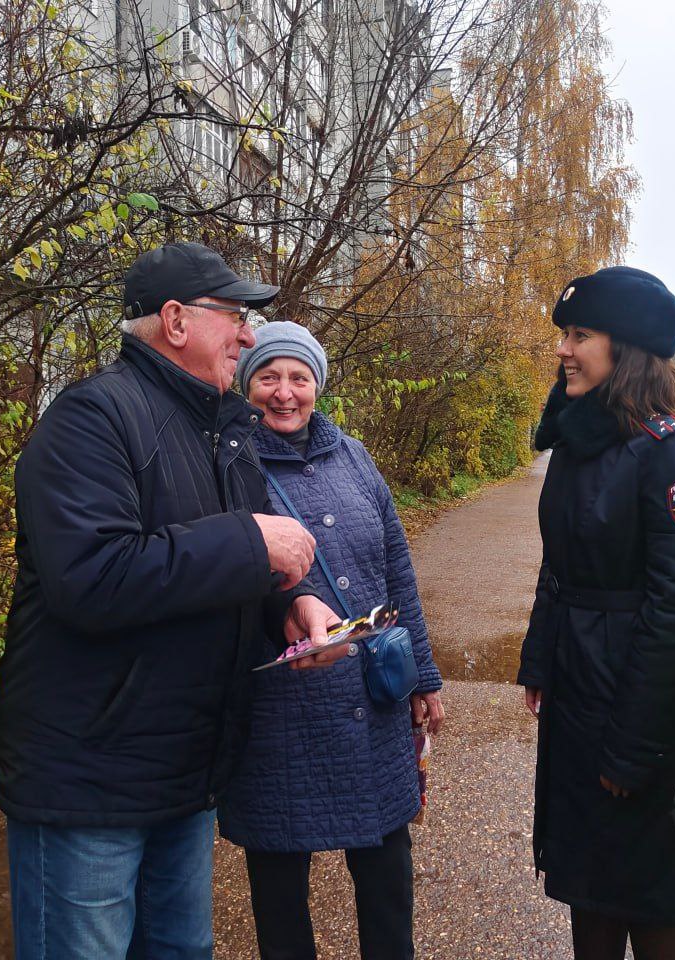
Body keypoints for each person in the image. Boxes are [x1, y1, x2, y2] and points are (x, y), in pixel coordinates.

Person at [0, 243, 346, 960]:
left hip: (184, 773)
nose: (247, 334)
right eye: (235, 316)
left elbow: (239, 567)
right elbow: (91, 577)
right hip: (91, 781)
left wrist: (293, 607)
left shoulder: (225, 430)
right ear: (177, 321)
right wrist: (251, 543)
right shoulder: (91, 418)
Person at [517, 266, 675, 960]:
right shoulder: (583, 440)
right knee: (589, 877)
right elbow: (561, 563)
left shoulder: (673, 455)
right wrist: (540, 659)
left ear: (627, 348)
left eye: (580, 335)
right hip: (582, 685)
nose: (563, 350)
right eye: (565, 335)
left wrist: (635, 746)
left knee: (649, 889)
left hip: (642, 706)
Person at [218, 321, 445, 960]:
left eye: (299, 377)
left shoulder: (354, 456)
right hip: (279, 707)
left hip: (370, 701)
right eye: (268, 377)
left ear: (317, 385)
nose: (284, 392)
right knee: (279, 882)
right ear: (246, 384)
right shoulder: (228, 462)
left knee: (386, 871)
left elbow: (397, 567)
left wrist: (423, 676)